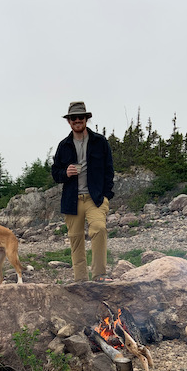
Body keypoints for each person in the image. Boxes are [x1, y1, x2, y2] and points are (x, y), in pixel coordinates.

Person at [51, 101, 114, 282]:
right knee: (76, 239)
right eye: (73, 118)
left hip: (95, 198)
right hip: (72, 199)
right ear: (69, 121)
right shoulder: (63, 145)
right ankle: (80, 280)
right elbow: (55, 173)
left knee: (99, 229)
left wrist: (106, 195)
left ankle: (99, 275)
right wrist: (66, 173)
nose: (77, 120)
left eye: (80, 117)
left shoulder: (100, 142)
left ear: (86, 119)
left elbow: (109, 170)